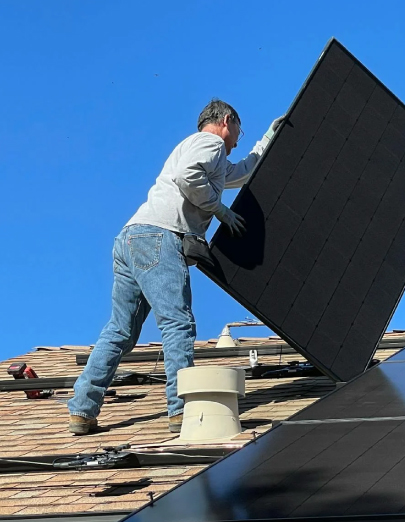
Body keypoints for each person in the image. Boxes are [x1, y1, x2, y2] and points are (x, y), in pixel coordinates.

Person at [67, 99, 283, 435]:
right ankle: (181, 411)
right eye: (240, 130)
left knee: (119, 332)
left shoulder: (199, 149)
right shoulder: (210, 143)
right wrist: (220, 211)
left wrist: (268, 139)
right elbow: (188, 177)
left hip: (130, 239)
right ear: (227, 120)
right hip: (159, 237)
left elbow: (239, 174)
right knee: (177, 323)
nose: (239, 138)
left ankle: (82, 409)